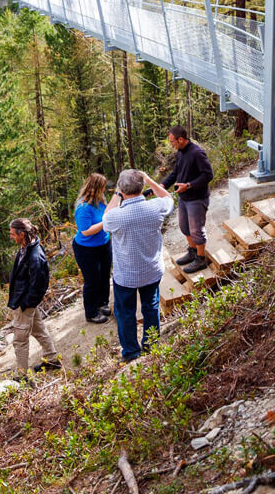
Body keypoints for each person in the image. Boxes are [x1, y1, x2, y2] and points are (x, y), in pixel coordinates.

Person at [103, 169, 174, 361]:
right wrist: (150, 180)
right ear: (142, 186)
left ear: (121, 189)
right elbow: (169, 198)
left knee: (125, 313)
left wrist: (117, 194)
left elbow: (105, 219)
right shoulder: (157, 207)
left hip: (125, 275)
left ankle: (131, 353)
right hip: (151, 269)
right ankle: (151, 347)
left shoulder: (116, 216)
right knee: (150, 307)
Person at [7, 218, 62, 373]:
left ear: (22, 234)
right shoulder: (26, 248)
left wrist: (26, 303)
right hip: (23, 300)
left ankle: (22, 374)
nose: (11, 236)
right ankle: (52, 360)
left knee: (20, 340)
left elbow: (39, 284)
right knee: (39, 330)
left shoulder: (35, 255)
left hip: (24, 303)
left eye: (13, 234)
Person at [161, 126, 213, 273]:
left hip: (197, 198)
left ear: (181, 139)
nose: (171, 144)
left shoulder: (197, 153)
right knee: (185, 227)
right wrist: (162, 185)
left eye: (172, 141)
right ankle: (192, 251)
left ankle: (201, 259)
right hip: (184, 198)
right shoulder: (181, 152)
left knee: (197, 230)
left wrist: (189, 185)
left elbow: (208, 175)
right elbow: (176, 172)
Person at [72, 173, 112, 324]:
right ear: (95, 188)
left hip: (104, 244)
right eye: (102, 188)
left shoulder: (101, 201)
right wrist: (105, 222)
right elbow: (86, 231)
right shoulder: (83, 207)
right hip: (86, 249)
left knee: (104, 275)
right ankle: (91, 312)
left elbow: (108, 211)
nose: (104, 190)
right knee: (92, 280)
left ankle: (103, 303)